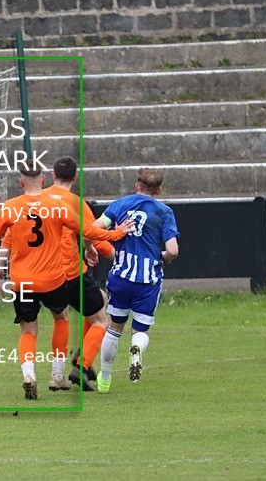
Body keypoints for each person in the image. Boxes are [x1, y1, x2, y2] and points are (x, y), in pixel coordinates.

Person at [0, 164, 133, 400]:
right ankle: (57, 375)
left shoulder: (11, 208)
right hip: (54, 278)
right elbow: (89, 232)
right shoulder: (60, 206)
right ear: (43, 180)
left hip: (22, 281)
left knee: (28, 329)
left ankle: (29, 375)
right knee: (62, 318)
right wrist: (117, 234)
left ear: (21, 183)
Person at [93, 168, 179, 393]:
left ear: (136, 186)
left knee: (114, 328)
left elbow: (93, 229)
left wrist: (89, 249)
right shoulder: (164, 212)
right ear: (159, 190)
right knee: (140, 330)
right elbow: (173, 249)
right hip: (148, 280)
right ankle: (137, 349)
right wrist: (164, 257)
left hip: (121, 276)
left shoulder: (120, 205)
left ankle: (105, 379)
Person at [43, 157, 117, 392]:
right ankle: (81, 365)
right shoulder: (76, 203)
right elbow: (92, 234)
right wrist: (114, 255)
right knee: (101, 319)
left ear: (52, 175)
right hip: (72, 272)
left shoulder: (38, 201)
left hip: (45, 274)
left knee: (73, 313)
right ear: (75, 177)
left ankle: (60, 372)